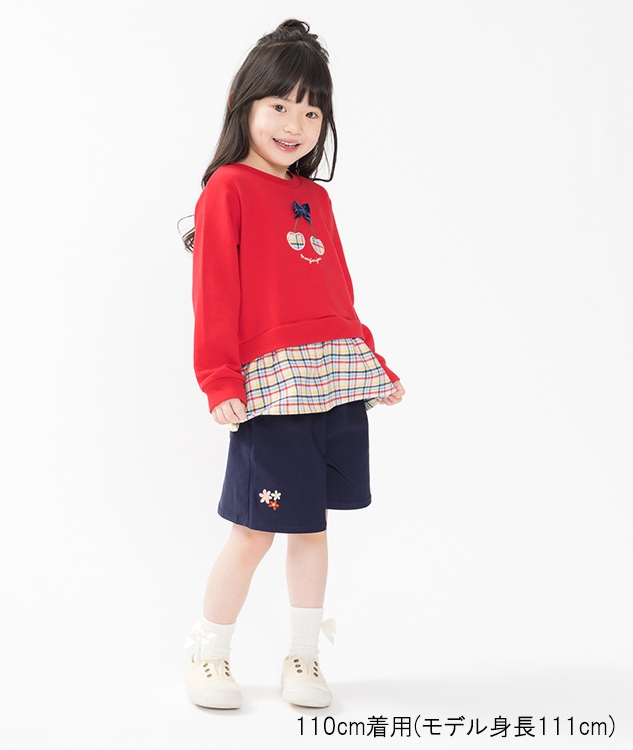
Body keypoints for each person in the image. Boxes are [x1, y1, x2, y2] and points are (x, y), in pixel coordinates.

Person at [182, 18, 405, 710]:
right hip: (272, 388)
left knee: (312, 528)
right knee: (253, 531)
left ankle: (303, 657)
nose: (295, 124)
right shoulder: (227, 189)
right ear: (243, 104)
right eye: (280, 105)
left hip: (332, 380)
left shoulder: (317, 199)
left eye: (312, 111)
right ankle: (209, 654)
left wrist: (370, 359)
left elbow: (336, 289)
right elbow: (214, 293)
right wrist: (219, 378)